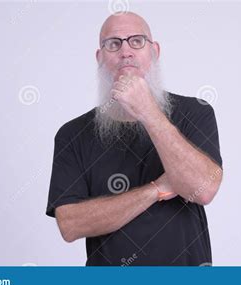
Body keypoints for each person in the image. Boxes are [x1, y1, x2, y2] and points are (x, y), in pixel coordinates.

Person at [46, 11, 223, 266]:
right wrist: (155, 190)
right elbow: (70, 224)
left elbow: (204, 189)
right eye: (113, 44)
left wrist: (149, 111)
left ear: (155, 51)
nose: (125, 51)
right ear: (99, 58)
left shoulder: (195, 112)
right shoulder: (73, 134)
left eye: (137, 41)